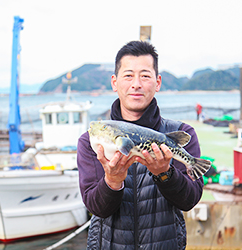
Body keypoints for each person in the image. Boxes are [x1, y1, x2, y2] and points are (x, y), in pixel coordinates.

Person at [77, 41, 204, 249]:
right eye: (128, 75)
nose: (136, 84)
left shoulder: (183, 132)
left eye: (145, 75)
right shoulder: (91, 140)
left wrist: (165, 174)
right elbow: (95, 207)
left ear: (158, 82)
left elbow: (189, 200)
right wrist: (112, 181)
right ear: (114, 82)